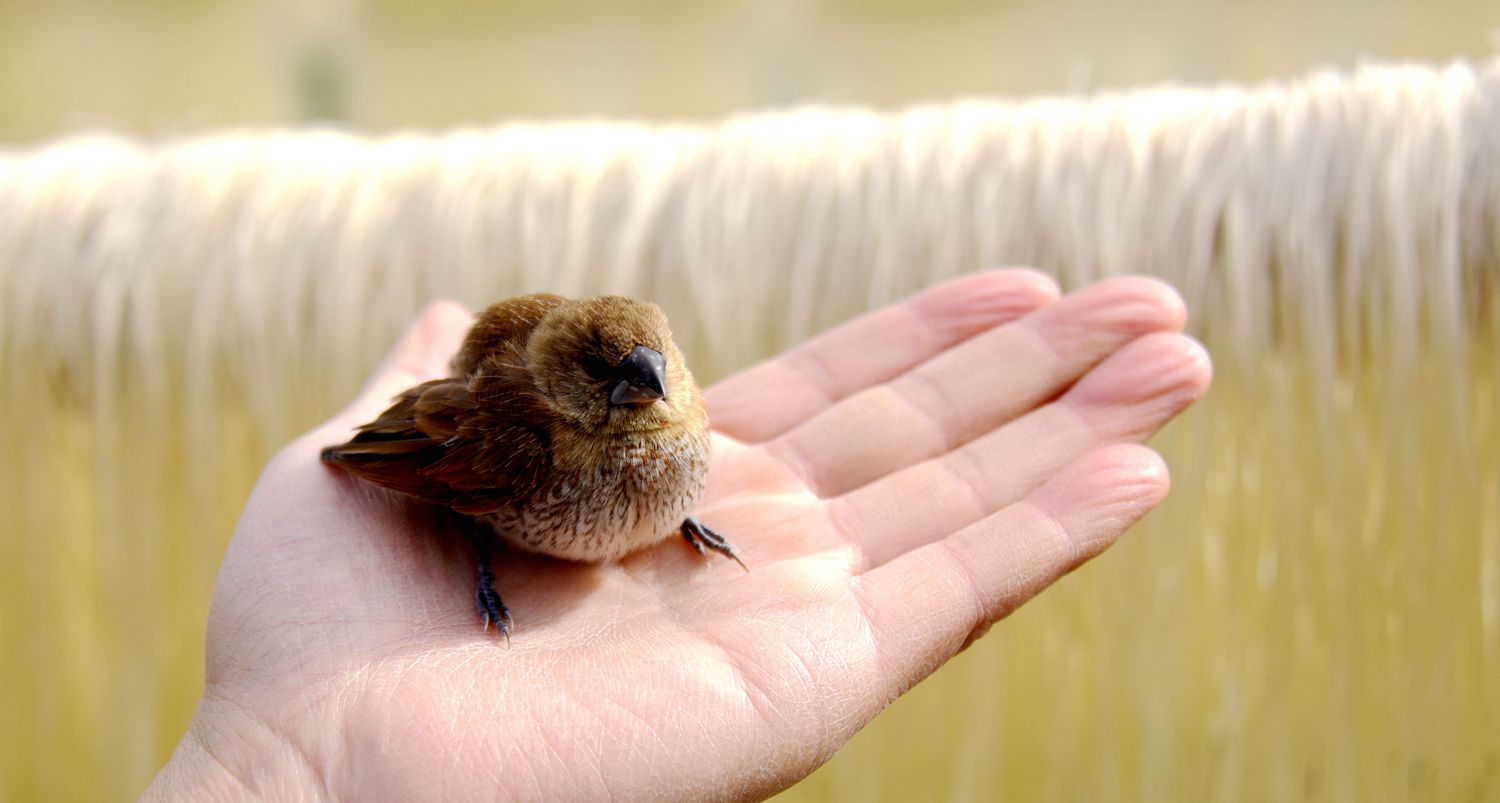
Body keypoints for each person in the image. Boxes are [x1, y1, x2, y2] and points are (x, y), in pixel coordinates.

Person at [142, 269, 1210, 800]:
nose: (648, 387)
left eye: (654, 364)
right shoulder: (519, 433)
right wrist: (285, 759)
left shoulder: (674, 408)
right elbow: (400, 453)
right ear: (570, 380)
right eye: (615, 375)